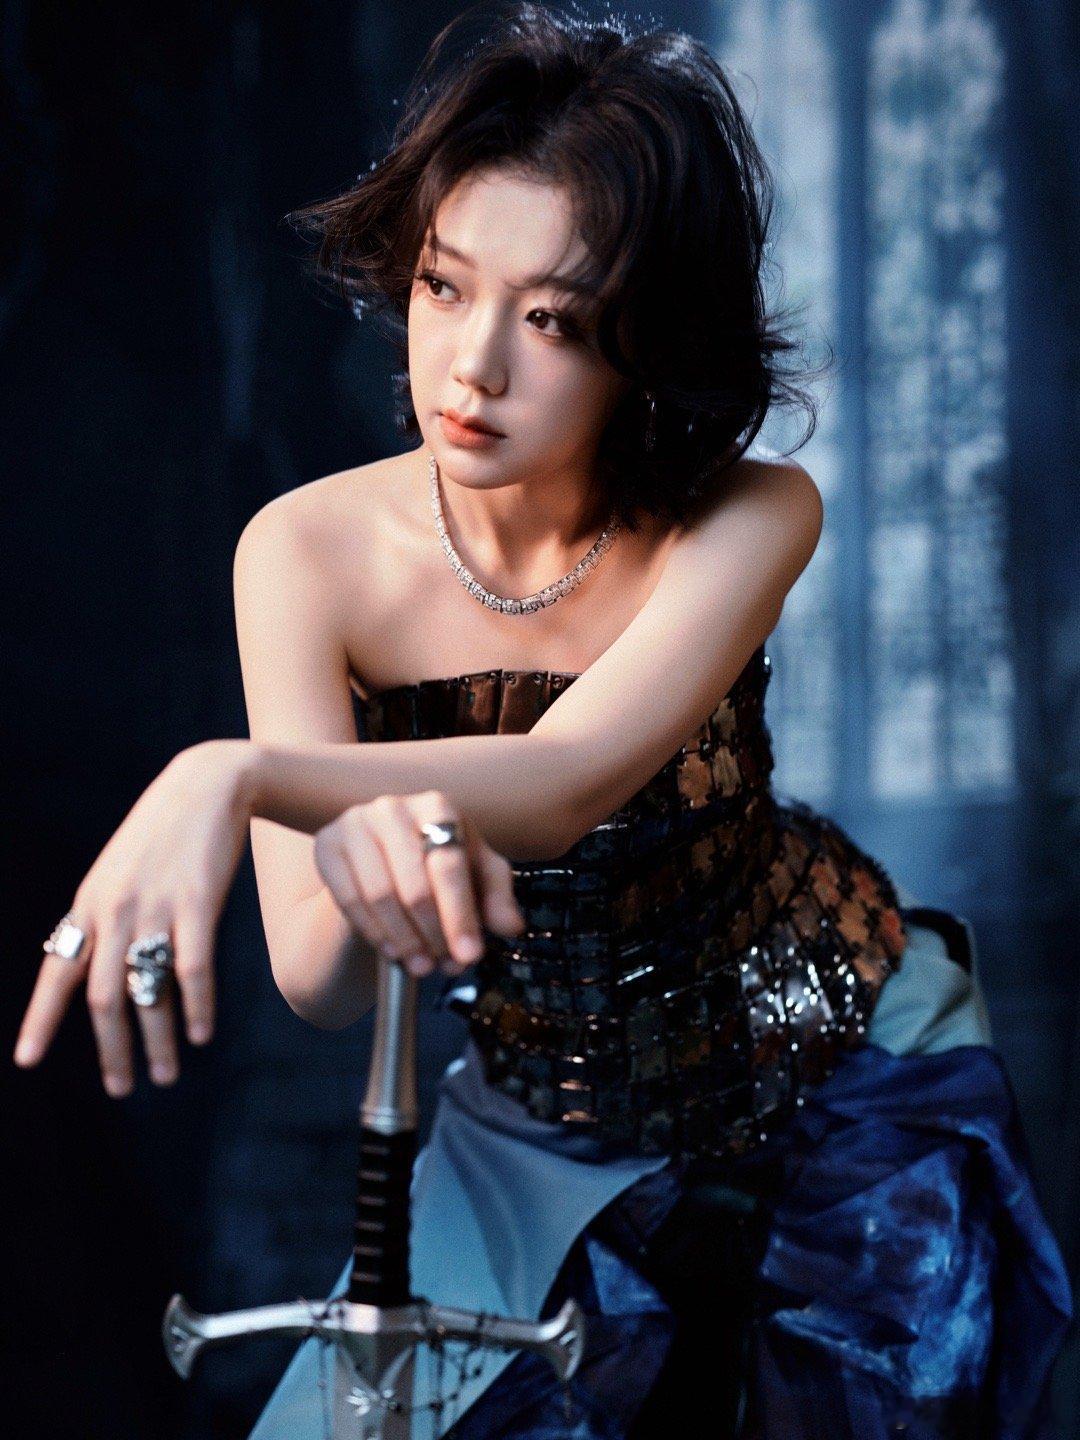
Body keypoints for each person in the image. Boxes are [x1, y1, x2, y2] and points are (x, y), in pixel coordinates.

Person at [15, 3, 1072, 1437]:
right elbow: (321, 983)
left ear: (647, 341)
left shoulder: (752, 511)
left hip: (832, 1062)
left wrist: (231, 776)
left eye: (553, 319)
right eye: (444, 286)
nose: (472, 367)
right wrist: (370, 857)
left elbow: (568, 778)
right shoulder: (304, 552)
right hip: (540, 1122)